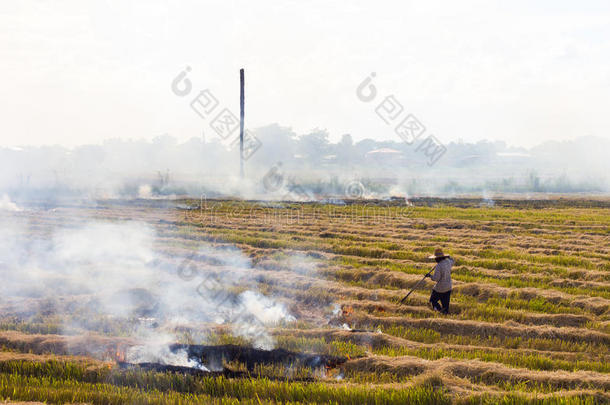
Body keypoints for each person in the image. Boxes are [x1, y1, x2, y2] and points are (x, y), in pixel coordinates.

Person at [425, 248, 454, 314]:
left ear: (437, 258)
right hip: (448, 287)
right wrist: (448, 257)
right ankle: (445, 313)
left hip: (440, 288)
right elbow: (453, 260)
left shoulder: (439, 266)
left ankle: (439, 311)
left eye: (435, 258)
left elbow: (436, 279)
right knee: (445, 306)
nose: (435, 259)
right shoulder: (448, 262)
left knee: (433, 301)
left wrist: (429, 276)